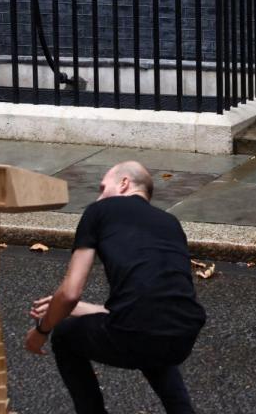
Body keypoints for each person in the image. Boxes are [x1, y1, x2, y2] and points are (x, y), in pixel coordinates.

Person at [24, 161, 207, 414]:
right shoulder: (170, 223)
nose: (99, 197)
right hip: (183, 336)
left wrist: (41, 330)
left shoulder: (99, 212)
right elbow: (154, 302)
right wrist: (80, 308)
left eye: (102, 188)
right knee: (152, 335)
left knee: (65, 334)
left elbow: (69, 293)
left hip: (137, 332)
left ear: (124, 184)